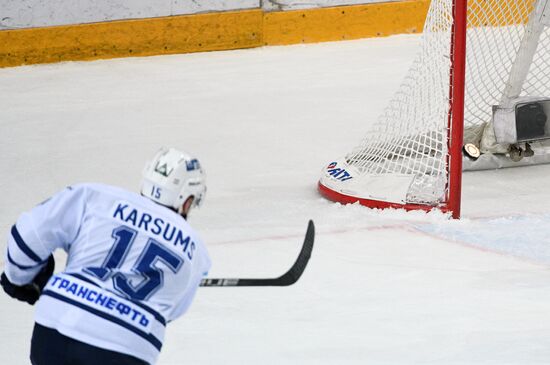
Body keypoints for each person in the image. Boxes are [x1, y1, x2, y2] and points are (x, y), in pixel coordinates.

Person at [1, 147, 211, 365]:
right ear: (186, 199)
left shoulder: (95, 197)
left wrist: (20, 278)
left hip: (55, 333)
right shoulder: (195, 250)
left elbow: (28, 234)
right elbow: (172, 309)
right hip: (125, 349)